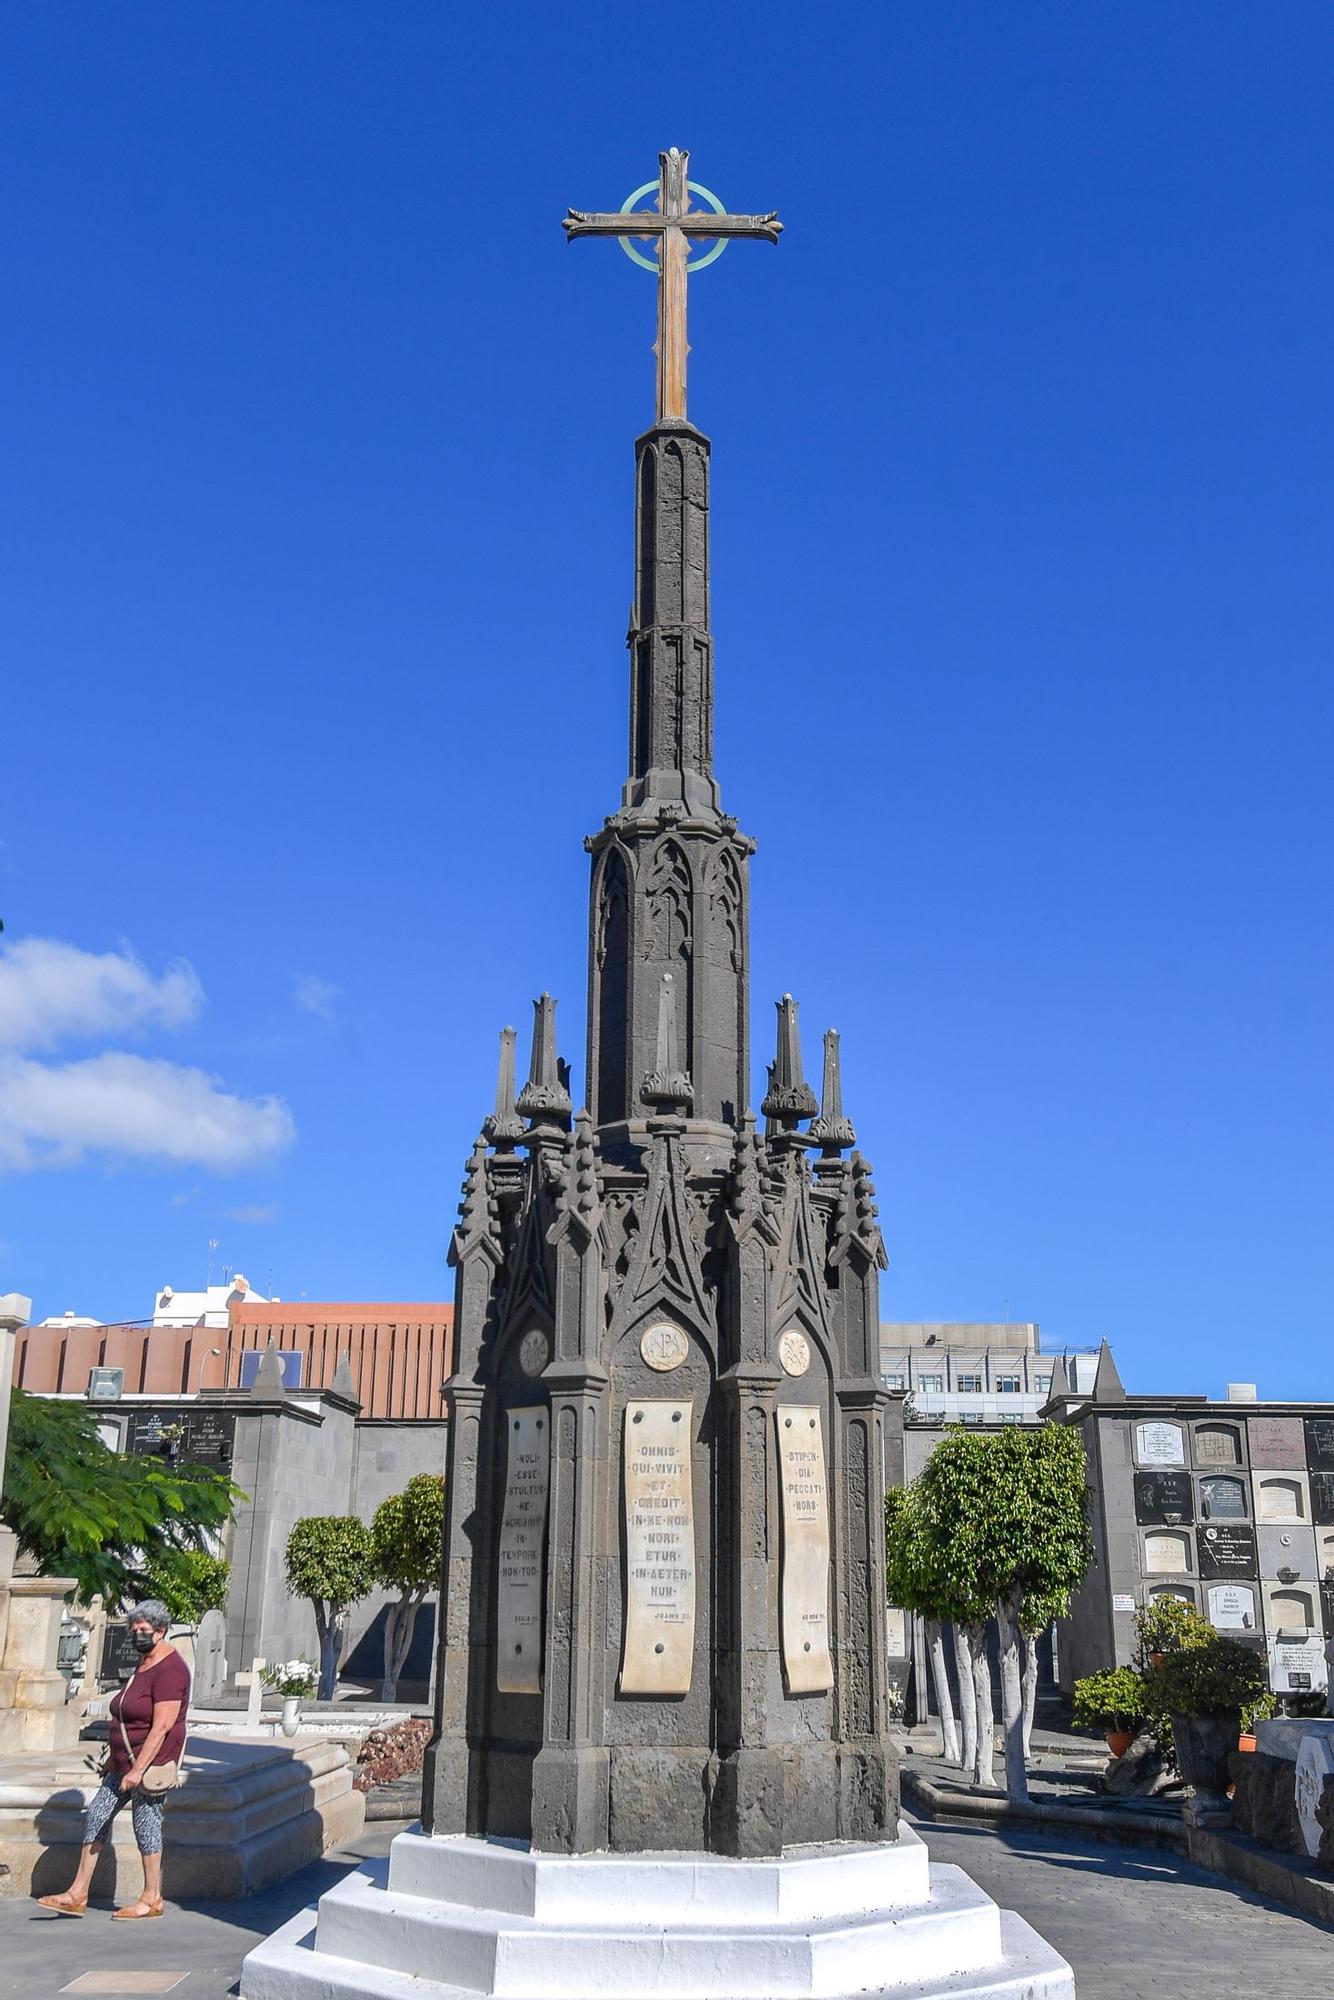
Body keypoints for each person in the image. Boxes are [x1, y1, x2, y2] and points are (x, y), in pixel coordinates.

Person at [37, 1599, 190, 1920]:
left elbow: (162, 1725)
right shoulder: (145, 1662)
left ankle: (152, 1898)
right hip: (121, 1762)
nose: (137, 1635)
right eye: (133, 1629)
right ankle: (77, 1892)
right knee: (96, 1815)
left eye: (144, 1630)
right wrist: (117, 1761)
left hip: (149, 1764)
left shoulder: (171, 1668)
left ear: (161, 1631)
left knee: (146, 1824)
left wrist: (138, 1769)